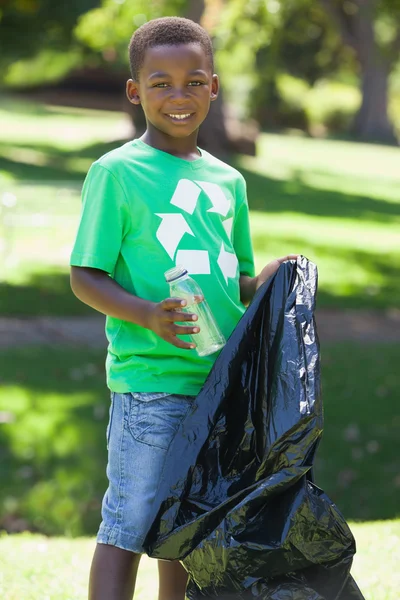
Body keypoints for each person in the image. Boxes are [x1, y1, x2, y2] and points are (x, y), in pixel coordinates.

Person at [70, 16, 297, 600]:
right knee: (130, 522)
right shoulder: (117, 172)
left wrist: (266, 279)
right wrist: (146, 313)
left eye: (193, 82)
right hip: (150, 383)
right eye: (161, 83)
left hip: (218, 383)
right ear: (134, 91)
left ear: (214, 89)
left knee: (188, 529)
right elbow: (85, 275)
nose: (178, 96)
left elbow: (234, 276)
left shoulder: (229, 183)